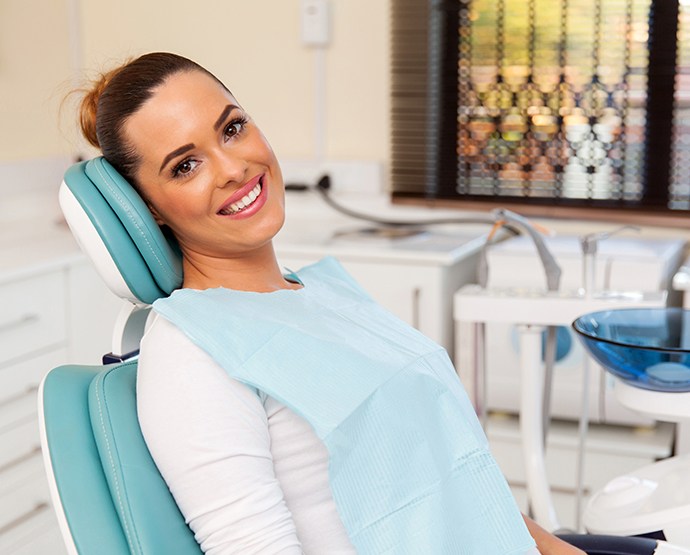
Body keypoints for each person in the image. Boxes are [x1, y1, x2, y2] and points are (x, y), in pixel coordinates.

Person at [77, 52, 585, 555]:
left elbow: (464, 483)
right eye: (186, 166)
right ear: (148, 210)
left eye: (232, 129)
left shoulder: (323, 292)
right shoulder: (191, 351)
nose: (234, 168)